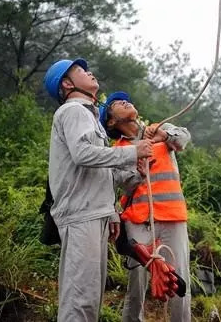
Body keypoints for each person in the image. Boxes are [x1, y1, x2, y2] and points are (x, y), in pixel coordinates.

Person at [43, 59, 153, 322]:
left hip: (94, 213)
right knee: (80, 300)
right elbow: (83, 155)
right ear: (67, 84)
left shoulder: (89, 117)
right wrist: (132, 151)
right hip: (82, 215)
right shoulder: (73, 112)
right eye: (80, 71)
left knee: (90, 298)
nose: (89, 71)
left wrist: (113, 208)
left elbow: (99, 171)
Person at [99, 91, 192, 322]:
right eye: (115, 103)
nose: (123, 100)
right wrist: (137, 173)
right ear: (112, 122)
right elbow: (123, 186)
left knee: (179, 282)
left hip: (172, 217)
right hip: (138, 223)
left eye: (125, 99)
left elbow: (182, 139)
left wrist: (163, 134)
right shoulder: (117, 150)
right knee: (136, 285)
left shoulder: (159, 129)